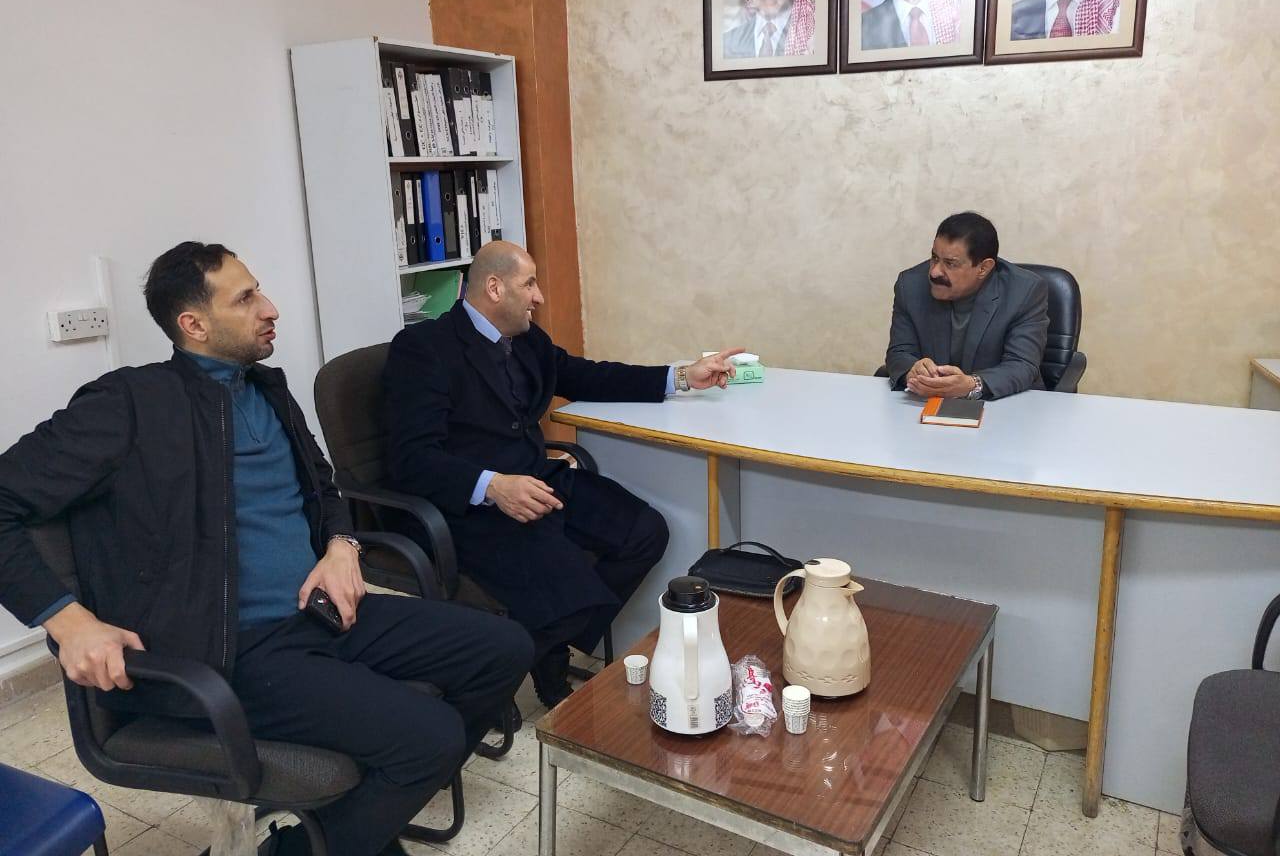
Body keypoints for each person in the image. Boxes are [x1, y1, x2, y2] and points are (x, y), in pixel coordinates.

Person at [0, 242, 532, 856]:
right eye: (246, 298)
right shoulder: (129, 405)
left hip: (320, 614)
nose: (270, 308)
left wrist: (341, 548)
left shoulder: (266, 388)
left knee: (503, 648)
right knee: (429, 736)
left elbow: (323, 487)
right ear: (194, 324)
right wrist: (69, 623)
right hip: (228, 650)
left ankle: (365, 812)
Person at [384, 240, 741, 707]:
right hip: (474, 508)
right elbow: (411, 458)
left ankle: (533, 651)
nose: (539, 297)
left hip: (541, 480)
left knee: (645, 532)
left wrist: (680, 377)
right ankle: (515, 673)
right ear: (494, 288)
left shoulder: (526, 339)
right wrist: (492, 485)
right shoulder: (424, 349)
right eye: (529, 284)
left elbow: (588, 375)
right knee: (578, 595)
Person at [884, 212, 1049, 400]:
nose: (935, 272)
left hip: (1004, 404)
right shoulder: (910, 285)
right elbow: (899, 352)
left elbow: (1021, 364)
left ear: (984, 268)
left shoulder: (1024, 291)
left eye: (950, 263)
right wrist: (912, 371)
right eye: (934, 258)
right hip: (925, 403)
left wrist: (972, 385)